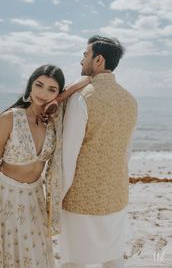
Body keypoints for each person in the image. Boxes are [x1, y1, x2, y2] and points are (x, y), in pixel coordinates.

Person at [0, 64, 91, 268]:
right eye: (39, 85)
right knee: (2, 254)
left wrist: (58, 100)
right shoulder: (10, 118)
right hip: (1, 197)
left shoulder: (53, 121)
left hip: (33, 198)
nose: (43, 93)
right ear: (30, 86)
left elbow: (86, 79)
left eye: (52, 89)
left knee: (33, 256)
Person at [60, 36, 138, 268]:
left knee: (74, 260)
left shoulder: (82, 98)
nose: (82, 59)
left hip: (80, 199)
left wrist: (57, 196)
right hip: (116, 194)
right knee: (113, 258)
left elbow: (68, 155)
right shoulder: (130, 100)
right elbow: (127, 153)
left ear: (98, 60)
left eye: (86, 55)